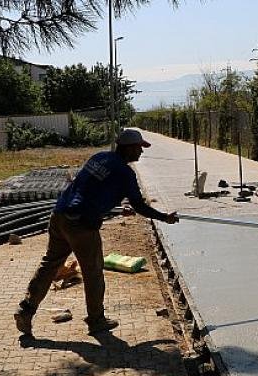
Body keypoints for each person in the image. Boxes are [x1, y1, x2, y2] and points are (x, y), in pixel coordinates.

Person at [14, 128, 178, 336]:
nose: (141, 152)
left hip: (60, 216)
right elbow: (140, 206)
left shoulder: (99, 157)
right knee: (93, 272)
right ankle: (96, 320)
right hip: (81, 226)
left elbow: (90, 189)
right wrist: (165, 217)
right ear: (128, 148)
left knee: (50, 264)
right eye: (139, 148)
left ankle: (25, 310)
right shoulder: (125, 173)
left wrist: (116, 208)